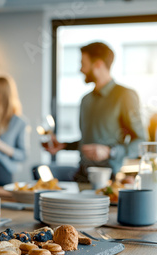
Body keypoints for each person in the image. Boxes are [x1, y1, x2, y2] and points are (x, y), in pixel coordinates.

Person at [45, 42, 146, 182]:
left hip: (109, 178)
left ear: (98, 64)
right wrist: (64, 145)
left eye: (83, 64)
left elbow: (141, 141)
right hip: (82, 175)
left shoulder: (124, 95)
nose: (80, 69)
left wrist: (111, 152)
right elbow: (90, 141)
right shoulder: (86, 100)